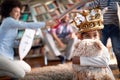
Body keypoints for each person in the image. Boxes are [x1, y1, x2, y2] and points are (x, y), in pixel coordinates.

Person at [0, 0, 57, 79]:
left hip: (8, 56)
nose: (19, 14)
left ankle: (8, 68)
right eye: (16, 11)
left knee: (27, 69)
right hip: (1, 55)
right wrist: (45, 23)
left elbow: (11, 42)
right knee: (20, 74)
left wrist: (24, 42)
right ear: (9, 11)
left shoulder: (11, 24)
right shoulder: (8, 21)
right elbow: (26, 25)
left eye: (19, 12)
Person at [71, 9, 115, 80]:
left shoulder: (100, 47)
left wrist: (81, 60)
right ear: (81, 38)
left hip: (101, 75)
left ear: (99, 36)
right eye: (87, 36)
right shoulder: (80, 47)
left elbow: (105, 62)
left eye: (95, 35)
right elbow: (74, 63)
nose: (92, 38)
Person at [82, 0, 120, 72]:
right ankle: (99, 69)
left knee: (117, 50)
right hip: (103, 28)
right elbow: (88, 6)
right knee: (99, 49)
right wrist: (86, 4)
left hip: (115, 27)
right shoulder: (101, 0)